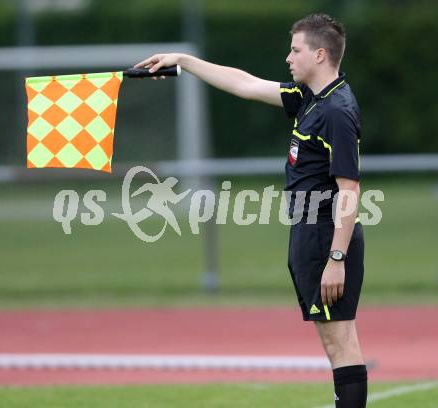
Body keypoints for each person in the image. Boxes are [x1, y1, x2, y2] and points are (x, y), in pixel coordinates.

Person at [135, 13, 367, 408]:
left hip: (325, 235)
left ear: (321, 54)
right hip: (310, 233)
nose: (289, 57)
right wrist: (185, 61)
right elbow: (245, 84)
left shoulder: (335, 112)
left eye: (296, 50)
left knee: (341, 344)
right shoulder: (311, 98)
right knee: (336, 345)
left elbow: (349, 190)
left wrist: (336, 258)